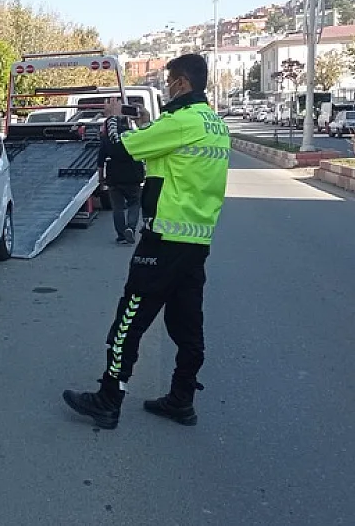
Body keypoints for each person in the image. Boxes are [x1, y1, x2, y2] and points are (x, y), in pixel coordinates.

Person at [62, 53, 230, 430]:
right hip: (195, 241)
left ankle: (108, 399)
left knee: (129, 321)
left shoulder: (182, 122)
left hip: (163, 241)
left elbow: (120, 148)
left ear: (183, 83)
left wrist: (113, 119)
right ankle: (181, 401)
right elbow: (169, 151)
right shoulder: (213, 123)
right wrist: (142, 121)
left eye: (169, 80)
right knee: (188, 327)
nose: (166, 86)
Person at [97, 110, 145, 245]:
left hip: (114, 177)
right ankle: (131, 227)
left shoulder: (107, 140)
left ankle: (121, 235)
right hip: (133, 175)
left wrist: (101, 179)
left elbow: (100, 161)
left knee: (117, 207)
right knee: (134, 204)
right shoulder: (132, 136)